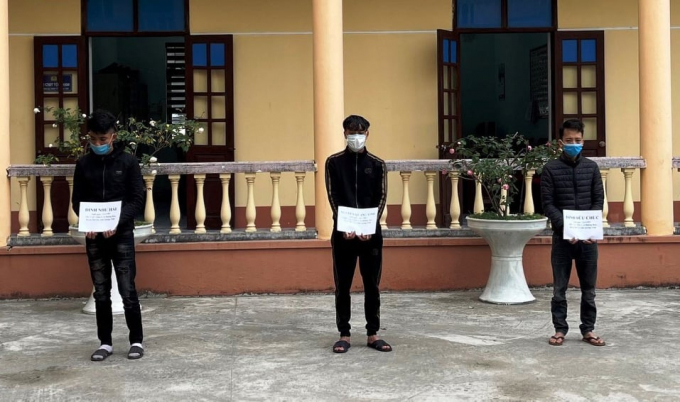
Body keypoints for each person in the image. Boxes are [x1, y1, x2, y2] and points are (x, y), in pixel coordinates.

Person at [72, 109, 146, 361]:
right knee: (101, 292)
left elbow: (136, 200)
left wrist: (118, 221)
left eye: (102, 139)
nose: (97, 144)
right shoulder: (83, 164)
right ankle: (105, 343)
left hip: (121, 234)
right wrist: (87, 222)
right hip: (95, 236)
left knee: (127, 290)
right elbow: (77, 201)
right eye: (93, 139)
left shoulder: (128, 162)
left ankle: (136, 341)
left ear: (113, 136)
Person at [325, 115, 391, 353]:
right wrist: (344, 227)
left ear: (367, 134)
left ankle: (373, 334)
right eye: (352, 132)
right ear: (344, 133)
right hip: (343, 235)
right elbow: (333, 196)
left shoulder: (377, 164)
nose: (356, 136)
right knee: (342, 285)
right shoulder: (333, 163)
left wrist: (368, 227)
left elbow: (381, 197)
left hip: (370, 235)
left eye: (360, 132)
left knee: (372, 284)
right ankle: (344, 334)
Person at [541, 119, 606, 347]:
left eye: (577, 140)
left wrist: (590, 229)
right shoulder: (550, 169)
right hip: (562, 239)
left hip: (588, 240)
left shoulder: (592, 168)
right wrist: (566, 228)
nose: (574, 144)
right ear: (561, 142)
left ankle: (588, 329)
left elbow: (598, 200)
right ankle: (560, 329)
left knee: (589, 290)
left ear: (583, 141)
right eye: (569, 140)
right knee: (559, 289)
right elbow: (548, 205)